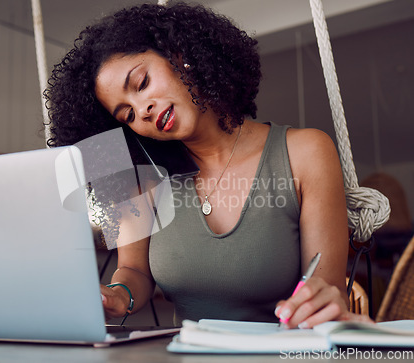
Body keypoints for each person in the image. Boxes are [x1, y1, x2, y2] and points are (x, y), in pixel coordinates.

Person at [44, 2, 371, 328]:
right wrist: (118, 295)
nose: (142, 109)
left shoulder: (307, 152)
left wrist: (323, 299)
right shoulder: (140, 181)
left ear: (177, 54)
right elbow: (134, 272)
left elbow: (327, 287)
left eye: (142, 83)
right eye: (127, 115)